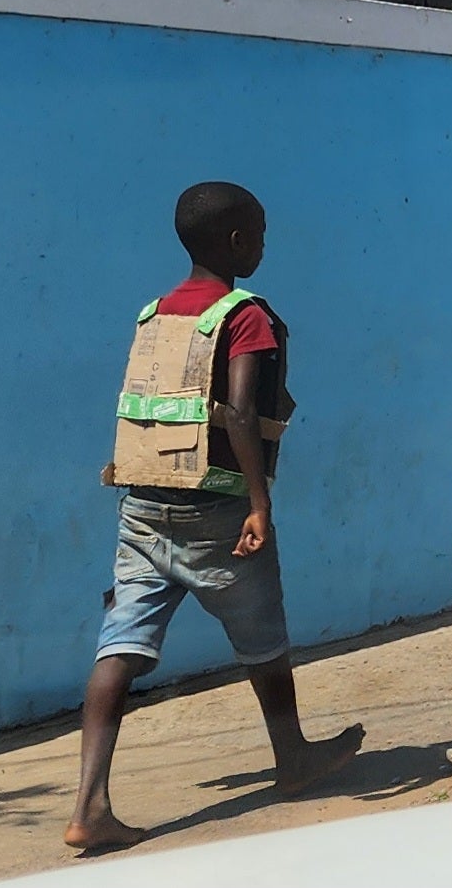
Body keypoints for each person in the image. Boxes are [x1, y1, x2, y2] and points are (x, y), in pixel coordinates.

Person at [65, 181, 364, 851]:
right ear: (235, 242)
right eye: (258, 233)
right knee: (265, 640)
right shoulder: (245, 314)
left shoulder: (157, 312)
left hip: (142, 506)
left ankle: (88, 805)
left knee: (119, 647)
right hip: (219, 508)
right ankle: (293, 758)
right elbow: (237, 409)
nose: (264, 243)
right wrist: (259, 503)